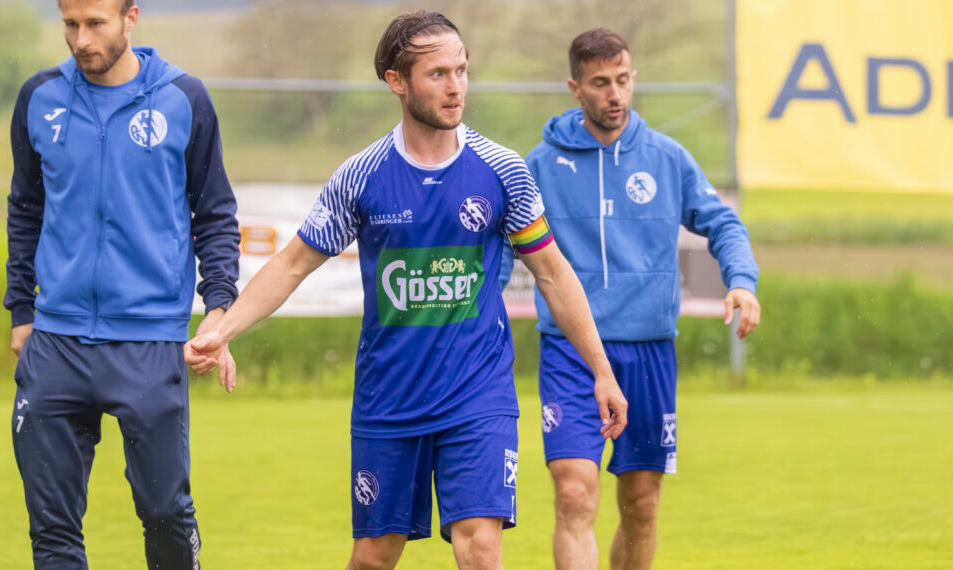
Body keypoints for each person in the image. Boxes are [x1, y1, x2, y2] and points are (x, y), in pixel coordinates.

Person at [185, 11, 627, 569]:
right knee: (374, 557)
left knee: (481, 547)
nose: (456, 86)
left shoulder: (502, 170)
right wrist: (221, 328)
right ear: (398, 80)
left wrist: (601, 370)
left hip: (477, 392)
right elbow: (294, 265)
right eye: (438, 73)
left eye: (462, 70)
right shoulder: (362, 175)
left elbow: (554, 274)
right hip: (389, 397)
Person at [501, 28, 761, 569]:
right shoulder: (539, 167)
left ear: (634, 78)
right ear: (575, 88)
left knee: (641, 504)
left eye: (622, 80)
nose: (614, 94)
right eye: (600, 83)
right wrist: (473, 316)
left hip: (647, 353)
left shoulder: (668, 158)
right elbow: (505, 252)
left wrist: (742, 281)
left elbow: (723, 224)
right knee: (574, 492)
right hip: (571, 352)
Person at [5, 0, 240, 567]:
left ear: (131, 18)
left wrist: (219, 305)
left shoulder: (184, 99)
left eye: (95, 24)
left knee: (164, 512)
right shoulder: (39, 98)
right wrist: (21, 311)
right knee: (52, 529)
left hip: (148, 340)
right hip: (56, 341)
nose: (81, 39)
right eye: (69, 25)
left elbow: (213, 213)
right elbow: (25, 208)